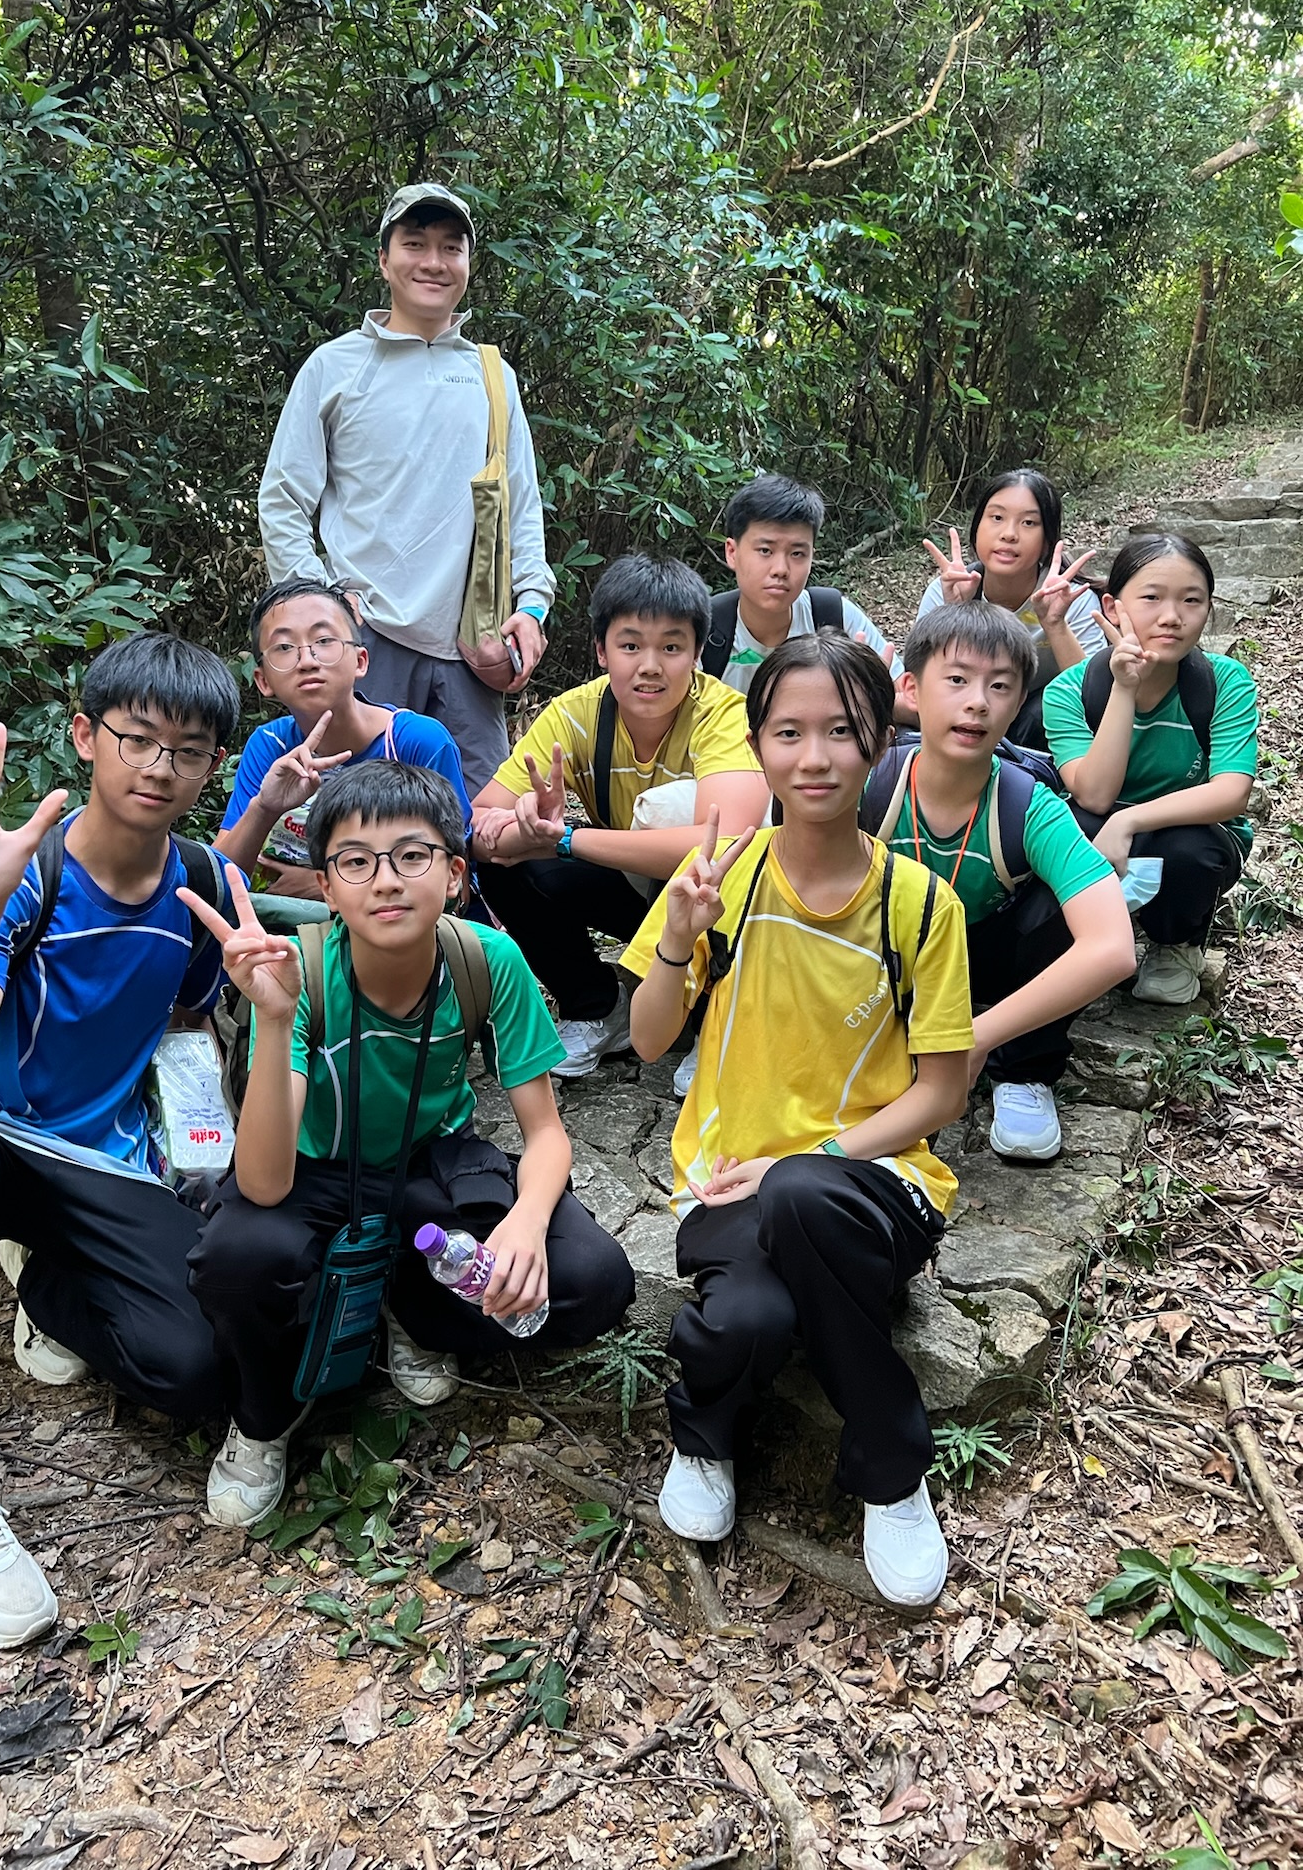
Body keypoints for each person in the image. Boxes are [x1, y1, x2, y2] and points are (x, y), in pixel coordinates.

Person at [0, 634, 245, 1649]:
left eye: (187, 750)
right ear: (85, 735)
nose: (158, 766)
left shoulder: (199, 884)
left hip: (105, 1162)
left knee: (194, 1368)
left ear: (213, 764)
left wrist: (205, 1159)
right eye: (136, 738)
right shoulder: (27, 872)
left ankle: (45, 1284)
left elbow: (187, 1023)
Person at [185, 761, 635, 1528]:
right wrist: (273, 1020)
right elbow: (262, 1183)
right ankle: (264, 1415)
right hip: (313, 1168)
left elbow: (546, 1134)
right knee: (237, 1259)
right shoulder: (299, 972)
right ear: (326, 888)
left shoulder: (486, 960)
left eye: (412, 856)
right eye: (356, 862)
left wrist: (526, 1223)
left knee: (593, 1279)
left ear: (455, 875)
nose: (387, 880)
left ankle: (411, 1310)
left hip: (430, 1166)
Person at [623, 634, 974, 1606]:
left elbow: (940, 1094)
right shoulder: (721, 882)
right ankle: (704, 1439)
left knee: (804, 1193)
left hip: (874, 1184)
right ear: (757, 745)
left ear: (880, 742)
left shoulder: (920, 905)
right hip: (727, 1178)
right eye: (788, 732)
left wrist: (810, 1157)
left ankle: (892, 1472)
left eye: (841, 730)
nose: (814, 756)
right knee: (749, 1315)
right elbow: (649, 1040)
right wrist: (677, 940)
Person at [256, 183, 554, 794]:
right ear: (384, 260)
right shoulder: (335, 367)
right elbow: (283, 499)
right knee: (358, 817)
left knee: (479, 823)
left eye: (451, 248)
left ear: (468, 264)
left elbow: (521, 504)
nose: (433, 262)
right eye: (414, 244)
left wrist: (531, 606)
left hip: (470, 649)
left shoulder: (491, 376)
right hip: (366, 642)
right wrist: (326, 605)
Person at [472, 554, 767, 1078]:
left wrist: (566, 840)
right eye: (630, 646)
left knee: (702, 838)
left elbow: (726, 844)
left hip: (727, 902)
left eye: (671, 647)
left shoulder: (724, 714)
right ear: (602, 651)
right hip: (640, 889)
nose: (649, 666)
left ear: (697, 653)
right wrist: (524, 829)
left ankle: (722, 1018)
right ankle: (599, 1006)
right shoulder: (575, 714)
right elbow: (477, 825)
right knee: (504, 864)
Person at [874, 601, 1134, 1161]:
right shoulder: (871, 786)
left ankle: (1022, 1070)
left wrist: (979, 1036)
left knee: (1056, 907)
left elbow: (1113, 948)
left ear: (1018, 705)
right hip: (889, 965)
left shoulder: (1027, 805)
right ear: (911, 690)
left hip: (990, 970)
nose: (977, 701)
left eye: (999, 686)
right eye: (957, 680)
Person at [1043, 531, 1257, 1006]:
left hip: (1185, 834)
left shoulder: (1225, 682)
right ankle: (1088, 936)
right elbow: (1094, 795)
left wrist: (1131, 820)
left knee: (1189, 848)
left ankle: (1175, 943)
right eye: (1152, 598)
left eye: (1191, 600)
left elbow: (1232, 792)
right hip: (1102, 822)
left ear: (1208, 609)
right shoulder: (1068, 691)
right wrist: (1124, 688)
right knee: (1063, 831)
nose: (1171, 616)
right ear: (1112, 607)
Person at [214, 578, 472, 902]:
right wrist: (265, 808)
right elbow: (218, 881)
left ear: (360, 661)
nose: (307, 661)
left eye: (324, 640)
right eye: (284, 647)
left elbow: (456, 884)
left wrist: (326, 886)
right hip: (277, 925)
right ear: (263, 680)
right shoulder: (270, 745)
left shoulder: (415, 742)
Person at [895, 470, 1100, 747]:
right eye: (997, 518)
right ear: (977, 528)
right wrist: (957, 613)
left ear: (1047, 541)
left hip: (1041, 727)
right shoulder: (948, 591)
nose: (1009, 534)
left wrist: (1055, 624)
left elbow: (1095, 698)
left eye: (1028, 523)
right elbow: (919, 688)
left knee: (1041, 711)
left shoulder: (1070, 599)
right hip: (968, 712)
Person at [700, 472, 890, 692]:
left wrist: (875, 696)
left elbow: (906, 696)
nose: (781, 569)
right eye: (765, 550)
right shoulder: (701, 631)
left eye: (797, 553)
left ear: (811, 557)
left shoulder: (834, 615)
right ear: (732, 552)